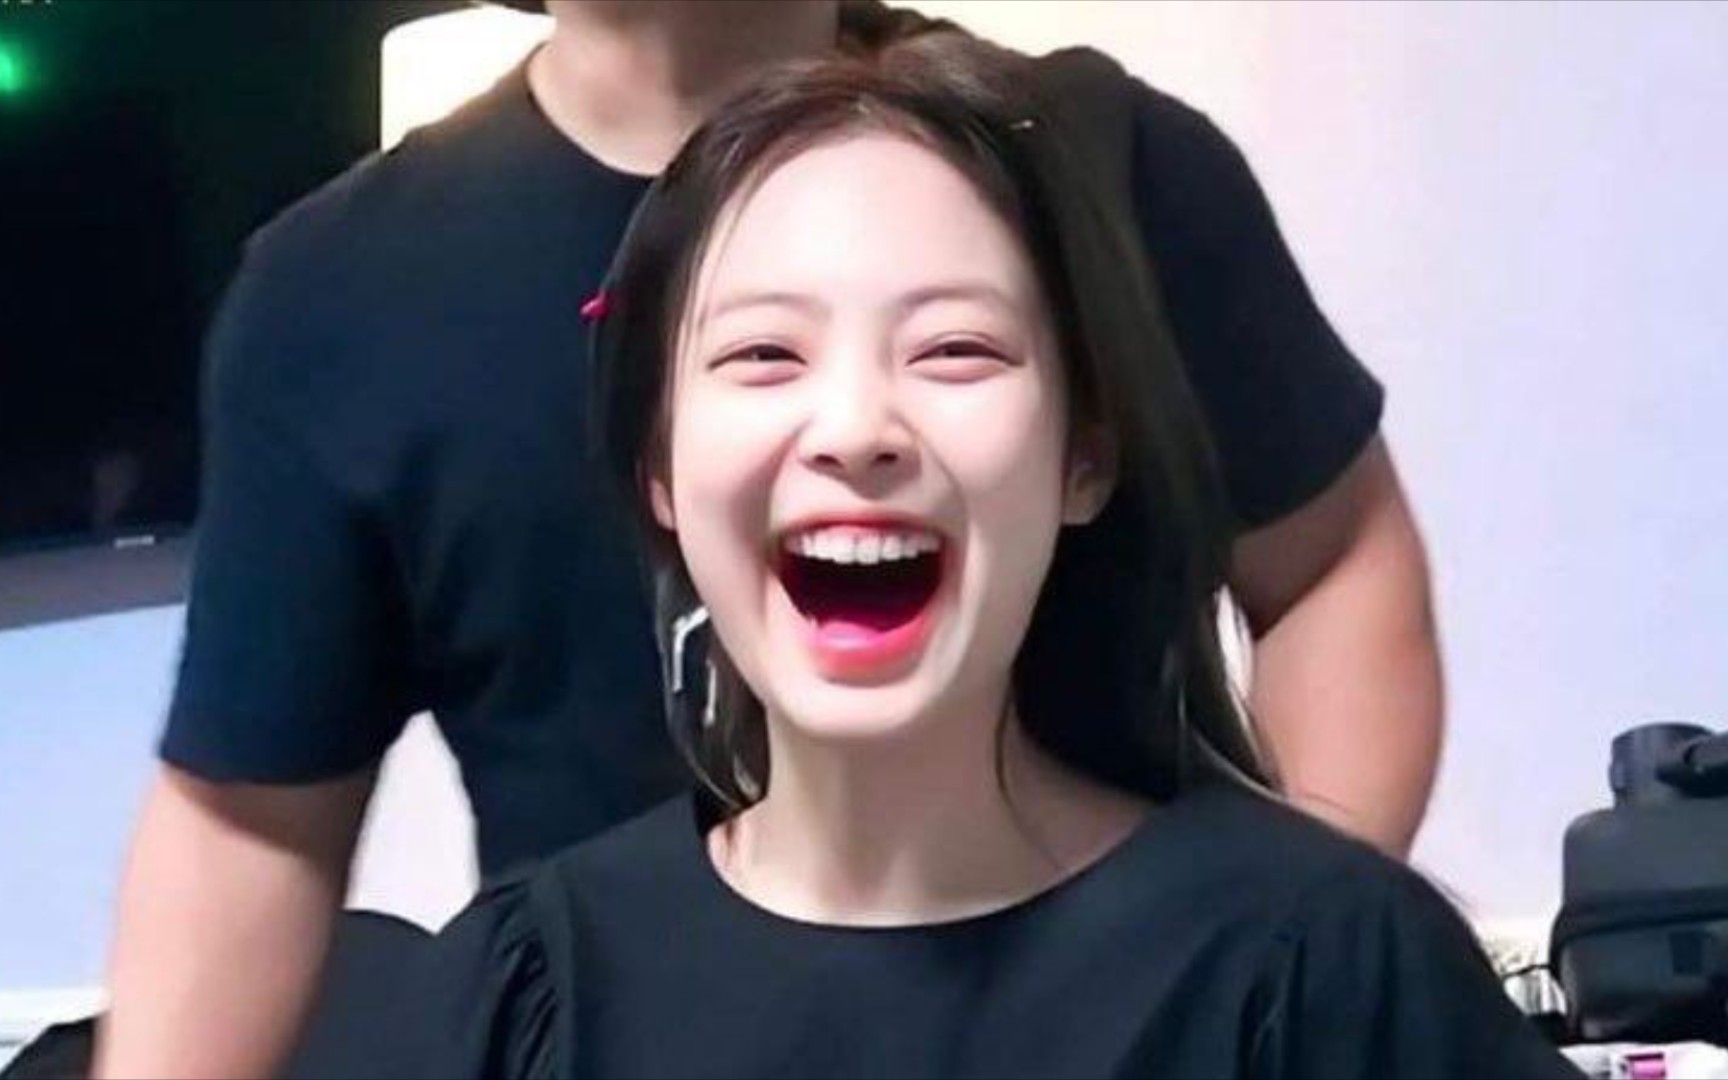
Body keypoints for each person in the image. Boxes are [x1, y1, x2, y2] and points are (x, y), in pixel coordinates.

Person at [97, 2, 1443, 1077]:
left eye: (953, 349)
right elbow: (249, 828)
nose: (853, 429)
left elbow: (1332, 565)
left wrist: (1278, 977)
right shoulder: (338, 293)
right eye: (761, 357)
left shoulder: (1093, 162)